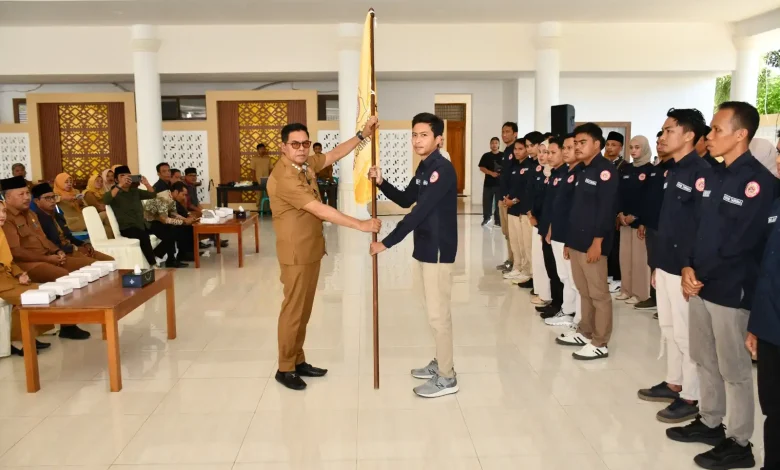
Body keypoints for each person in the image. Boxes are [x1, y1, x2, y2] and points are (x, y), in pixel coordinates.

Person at [668, 102, 777, 470]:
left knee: (735, 369)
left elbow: (743, 244)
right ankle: (711, 421)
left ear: (741, 134)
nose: (709, 136)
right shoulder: (714, 175)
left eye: (716, 129)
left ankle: (739, 441)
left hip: (731, 289)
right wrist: (687, 265)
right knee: (704, 357)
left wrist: (699, 273)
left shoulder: (758, 183)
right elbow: (697, 228)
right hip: (700, 282)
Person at [267, 117, 380, 391]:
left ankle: (298, 360)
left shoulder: (304, 164)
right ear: (283, 147)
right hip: (296, 254)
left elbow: (333, 154)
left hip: (311, 249)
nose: (301, 148)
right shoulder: (284, 177)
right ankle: (285, 367)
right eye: (295, 144)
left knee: (304, 310)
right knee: (293, 311)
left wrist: (362, 135)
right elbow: (320, 210)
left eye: (305, 143)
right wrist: (360, 224)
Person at [368, 112, 459, 398]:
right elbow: (407, 199)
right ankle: (440, 362)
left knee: (438, 315)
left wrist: (386, 243)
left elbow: (418, 213)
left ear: (438, 139)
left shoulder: (442, 169)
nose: (417, 140)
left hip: (438, 251)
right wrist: (381, 182)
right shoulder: (424, 166)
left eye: (424, 135)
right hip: (425, 248)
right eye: (414, 135)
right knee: (431, 310)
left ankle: (447, 376)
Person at [637, 109, 709, 425]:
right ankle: (674, 382)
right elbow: (668, 223)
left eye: (669, 131)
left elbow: (701, 227)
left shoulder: (700, 172)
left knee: (686, 334)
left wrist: (688, 266)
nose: (663, 136)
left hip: (684, 269)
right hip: (666, 263)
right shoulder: (673, 170)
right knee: (668, 328)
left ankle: (692, 395)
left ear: (689, 135)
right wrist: (657, 264)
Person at [554, 123, 618, 360]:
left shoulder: (605, 171)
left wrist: (597, 242)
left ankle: (600, 342)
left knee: (598, 293)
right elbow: (576, 210)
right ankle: (585, 331)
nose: (578, 147)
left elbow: (606, 210)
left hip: (593, 243)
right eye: (576, 143)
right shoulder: (581, 170)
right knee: (584, 290)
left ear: (597, 144)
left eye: (583, 143)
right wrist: (569, 242)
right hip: (577, 241)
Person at [1, 176, 93, 340]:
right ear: (7, 197)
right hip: (26, 264)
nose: (27, 197)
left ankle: (90, 310)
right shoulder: (6, 217)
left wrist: (57, 251)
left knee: (89, 267)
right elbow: (16, 252)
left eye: (27, 193)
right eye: (21, 194)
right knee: (63, 276)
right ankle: (67, 326)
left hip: (46, 258)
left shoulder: (30, 214)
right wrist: (48, 259)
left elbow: (43, 239)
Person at [745, 155, 780, 470]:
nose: (779, 160)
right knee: (772, 408)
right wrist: (756, 326)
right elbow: (766, 272)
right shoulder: (775, 204)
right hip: (770, 326)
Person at [0, 200, 53, 357]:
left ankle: (31, 336)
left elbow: (9, 261)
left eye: (4, 211)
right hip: (2, 282)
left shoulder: (1, 232)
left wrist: (19, 273)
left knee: (40, 291)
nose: (2, 215)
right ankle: (18, 341)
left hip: (7, 278)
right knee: (25, 298)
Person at [544, 134, 581, 327]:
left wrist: (568, 238)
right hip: (558, 232)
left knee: (574, 279)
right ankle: (567, 310)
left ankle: (578, 317)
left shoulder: (580, 174)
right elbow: (557, 206)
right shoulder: (567, 173)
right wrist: (551, 228)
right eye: (564, 148)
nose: (566, 151)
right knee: (564, 276)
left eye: (570, 148)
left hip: (569, 235)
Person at [635, 131, 673, 314]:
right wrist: (643, 222)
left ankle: (666, 303)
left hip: (665, 226)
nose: (659, 146)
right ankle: (655, 297)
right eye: (657, 143)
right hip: (652, 224)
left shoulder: (675, 169)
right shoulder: (656, 169)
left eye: (663, 142)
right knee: (653, 262)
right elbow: (648, 198)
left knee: (665, 265)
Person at [31, 182, 114, 262]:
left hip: (72, 249)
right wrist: (75, 249)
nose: (52, 201)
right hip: (61, 255)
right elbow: (50, 245)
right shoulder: (37, 220)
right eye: (47, 198)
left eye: (53, 197)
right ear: (36, 201)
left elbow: (69, 237)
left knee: (109, 260)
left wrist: (84, 244)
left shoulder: (58, 216)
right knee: (98, 264)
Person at [615, 136, 652, 305]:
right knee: (625, 258)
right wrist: (620, 214)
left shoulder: (651, 170)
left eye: (637, 147)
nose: (633, 151)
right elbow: (619, 193)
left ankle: (640, 293)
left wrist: (636, 217)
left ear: (644, 148)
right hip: (624, 221)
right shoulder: (626, 169)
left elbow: (649, 199)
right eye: (631, 147)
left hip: (639, 223)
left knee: (639, 260)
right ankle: (626, 289)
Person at [103, 166, 162, 267]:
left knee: (167, 229)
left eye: (129, 176)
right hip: (128, 227)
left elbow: (152, 194)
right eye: (122, 176)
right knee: (143, 236)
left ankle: (158, 255)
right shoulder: (114, 192)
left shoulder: (135, 191)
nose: (126, 178)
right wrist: (120, 185)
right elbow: (106, 200)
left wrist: (146, 183)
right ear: (116, 180)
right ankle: (153, 264)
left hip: (142, 224)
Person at [536, 136, 566, 320]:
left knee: (558, 270)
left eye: (552, 152)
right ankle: (555, 302)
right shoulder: (553, 173)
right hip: (546, 227)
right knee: (551, 267)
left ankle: (561, 305)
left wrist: (550, 228)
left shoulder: (565, 174)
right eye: (547, 152)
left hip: (556, 230)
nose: (548, 156)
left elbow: (560, 207)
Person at [502, 139, 533, 285]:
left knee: (523, 243)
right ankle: (517, 266)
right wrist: (507, 198)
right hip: (511, 209)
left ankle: (526, 270)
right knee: (514, 241)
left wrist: (513, 201)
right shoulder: (514, 166)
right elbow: (511, 185)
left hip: (521, 208)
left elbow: (525, 190)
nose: (517, 152)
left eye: (521, 149)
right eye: (515, 149)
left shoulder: (530, 166)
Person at [526, 135, 552, 303]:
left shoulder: (555, 175)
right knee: (538, 258)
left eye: (546, 152)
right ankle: (541, 291)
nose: (542, 155)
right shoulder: (541, 172)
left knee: (546, 261)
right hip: (536, 221)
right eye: (540, 152)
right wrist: (531, 214)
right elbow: (534, 196)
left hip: (546, 224)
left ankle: (547, 295)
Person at [603, 131, 627, 293]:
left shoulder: (625, 166)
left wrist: (619, 212)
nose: (610, 148)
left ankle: (616, 278)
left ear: (621, 147)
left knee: (616, 246)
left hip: (616, 212)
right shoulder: (601, 165)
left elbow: (623, 192)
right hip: (603, 211)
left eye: (614, 145)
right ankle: (607, 275)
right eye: (608, 144)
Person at [496, 122, 519, 272]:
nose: (504, 134)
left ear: (515, 134)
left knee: (512, 233)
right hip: (502, 196)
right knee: (506, 232)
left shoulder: (516, 151)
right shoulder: (506, 151)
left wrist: (511, 197)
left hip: (510, 198)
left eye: (508, 132)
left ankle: (515, 262)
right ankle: (510, 259)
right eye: (503, 132)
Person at [478, 137, 502, 227]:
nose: (494, 145)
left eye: (496, 143)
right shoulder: (486, 156)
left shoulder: (503, 155)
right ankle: (486, 218)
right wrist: (491, 173)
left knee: (498, 203)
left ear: (499, 145)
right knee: (487, 202)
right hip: (488, 184)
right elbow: (481, 167)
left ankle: (498, 220)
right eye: (492, 143)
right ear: (490, 145)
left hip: (500, 184)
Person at [82, 173, 114, 237]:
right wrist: (109, 207)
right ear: (91, 182)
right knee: (107, 215)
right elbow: (98, 207)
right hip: (93, 216)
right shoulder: (88, 193)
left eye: (101, 181)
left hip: (101, 215)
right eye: (97, 181)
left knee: (110, 225)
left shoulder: (102, 192)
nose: (100, 183)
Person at [314, 143, 338, 209]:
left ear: (321, 149)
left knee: (332, 198)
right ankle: (322, 210)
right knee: (320, 198)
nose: (317, 151)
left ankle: (333, 211)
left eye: (319, 149)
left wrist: (329, 179)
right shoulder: (312, 159)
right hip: (318, 181)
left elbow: (330, 170)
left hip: (327, 180)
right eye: (316, 149)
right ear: (313, 150)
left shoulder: (325, 158)